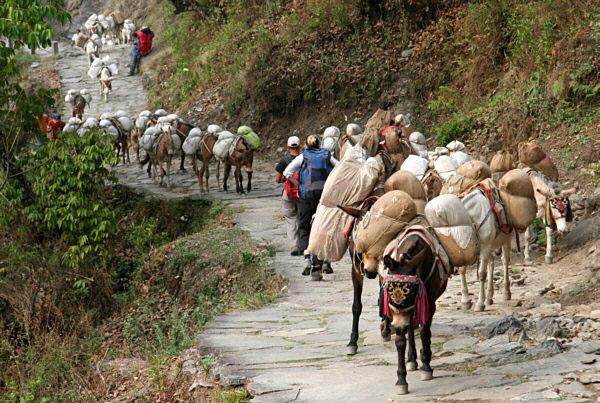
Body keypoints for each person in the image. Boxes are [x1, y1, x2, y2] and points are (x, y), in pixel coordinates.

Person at [284, 135, 338, 280]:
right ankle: (326, 261)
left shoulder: (303, 156)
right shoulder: (327, 155)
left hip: (306, 197)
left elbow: (287, 172)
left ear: (306, 145)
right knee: (326, 227)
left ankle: (308, 260)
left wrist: (299, 185)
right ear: (319, 144)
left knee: (305, 226)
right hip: (324, 198)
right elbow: (339, 167)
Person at [275, 136, 302, 256]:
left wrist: (287, 179)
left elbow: (278, 179)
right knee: (303, 218)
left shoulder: (284, 161)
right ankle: (303, 244)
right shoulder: (304, 159)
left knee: (291, 219)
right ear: (300, 146)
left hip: (289, 194)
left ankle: (294, 246)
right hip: (303, 193)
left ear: (288, 147)